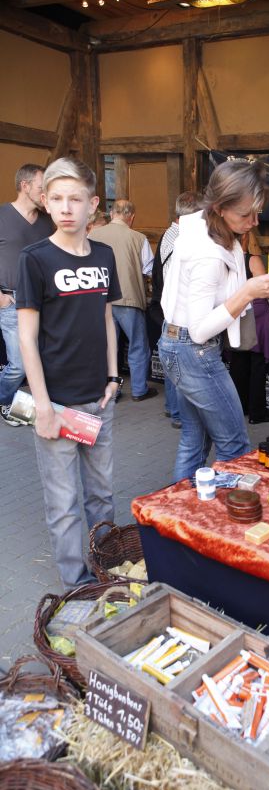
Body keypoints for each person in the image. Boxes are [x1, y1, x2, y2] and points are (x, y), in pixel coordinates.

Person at [16, 157, 122, 589]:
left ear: (92, 204)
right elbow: (26, 338)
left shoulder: (104, 254)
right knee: (63, 503)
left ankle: (107, 568)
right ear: (45, 200)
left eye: (75, 199)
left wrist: (113, 378)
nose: (66, 207)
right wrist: (42, 406)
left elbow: (107, 319)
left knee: (102, 494)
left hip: (98, 400)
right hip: (57, 405)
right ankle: (77, 584)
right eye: (57, 198)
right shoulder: (34, 259)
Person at [159, 159, 269, 482]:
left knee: (194, 441)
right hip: (194, 350)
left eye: (257, 213)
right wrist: (248, 292)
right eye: (246, 215)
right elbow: (200, 329)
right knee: (235, 446)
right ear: (219, 207)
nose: (254, 222)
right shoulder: (208, 253)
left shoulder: (206, 228)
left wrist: (267, 284)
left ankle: (182, 509)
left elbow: (227, 290)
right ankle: (231, 510)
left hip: (177, 344)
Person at [0, 164, 53, 426]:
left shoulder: (47, 222)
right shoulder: (2, 216)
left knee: (41, 359)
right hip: (11, 301)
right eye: (42, 188)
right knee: (18, 365)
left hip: (43, 301)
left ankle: (29, 408)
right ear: (25, 186)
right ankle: (5, 402)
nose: (45, 194)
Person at [89, 199, 157, 402]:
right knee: (138, 345)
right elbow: (149, 269)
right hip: (129, 299)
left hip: (100, 300)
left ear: (111, 214)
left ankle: (111, 390)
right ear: (131, 217)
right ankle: (139, 390)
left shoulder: (93, 235)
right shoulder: (138, 238)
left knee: (109, 347)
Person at [149, 191, 202, 429]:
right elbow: (176, 282)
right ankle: (179, 413)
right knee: (179, 363)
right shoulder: (181, 239)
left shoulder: (168, 235)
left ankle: (173, 408)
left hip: (166, 311)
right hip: (175, 314)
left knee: (173, 363)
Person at [229, 229, 269, 424]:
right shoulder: (252, 260)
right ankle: (257, 413)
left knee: (238, 363)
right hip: (255, 315)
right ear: (245, 237)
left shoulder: (224, 261)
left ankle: (240, 407)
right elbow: (267, 292)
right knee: (257, 364)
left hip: (235, 313)